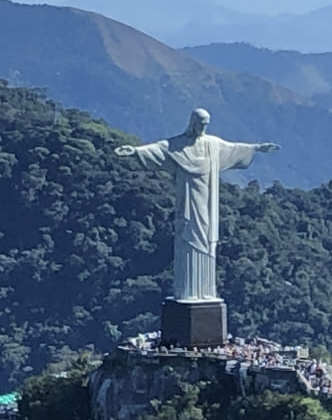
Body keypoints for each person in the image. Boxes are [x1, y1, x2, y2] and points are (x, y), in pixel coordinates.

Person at [115, 108, 279, 300]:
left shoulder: (213, 144)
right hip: (187, 202)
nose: (203, 127)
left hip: (208, 203)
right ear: (192, 122)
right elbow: (159, 149)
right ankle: (187, 292)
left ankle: (205, 292)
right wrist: (135, 151)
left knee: (207, 241)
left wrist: (258, 148)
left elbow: (234, 148)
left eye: (206, 124)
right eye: (200, 123)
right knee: (187, 239)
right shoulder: (178, 145)